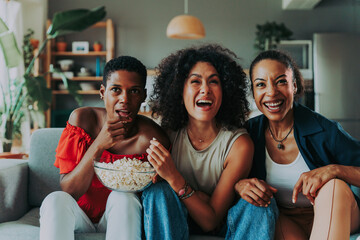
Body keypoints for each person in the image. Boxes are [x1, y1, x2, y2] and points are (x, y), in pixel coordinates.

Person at [142, 44, 278, 240]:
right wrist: (200, 197)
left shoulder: (238, 144)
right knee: (157, 192)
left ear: (225, 92)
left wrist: (174, 178)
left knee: (260, 203)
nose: (205, 89)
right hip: (174, 224)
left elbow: (210, 221)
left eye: (213, 82)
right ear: (180, 91)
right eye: (195, 81)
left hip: (226, 228)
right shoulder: (165, 136)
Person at [39, 56, 170, 240]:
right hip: (79, 216)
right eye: (116, 90)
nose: (124, 99)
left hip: (122, 216)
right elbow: (69, 190)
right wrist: (99, 144)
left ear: (143, 96)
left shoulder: (152, 139)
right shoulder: (82, 120)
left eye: (134, 91)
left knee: (124, 198)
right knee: (55, 200)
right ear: (103, 92)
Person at [235, 49, 360, 239]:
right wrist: (239, 185)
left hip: (337, 213)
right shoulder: (248, 134)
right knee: (260, 209)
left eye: (281, 81)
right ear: (253, 92)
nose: (271, 92)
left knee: (333, 187)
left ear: (294, 86)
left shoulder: (325, 130)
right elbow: (220, 179)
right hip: (286, 221)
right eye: (261, 84)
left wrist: (335, 170)